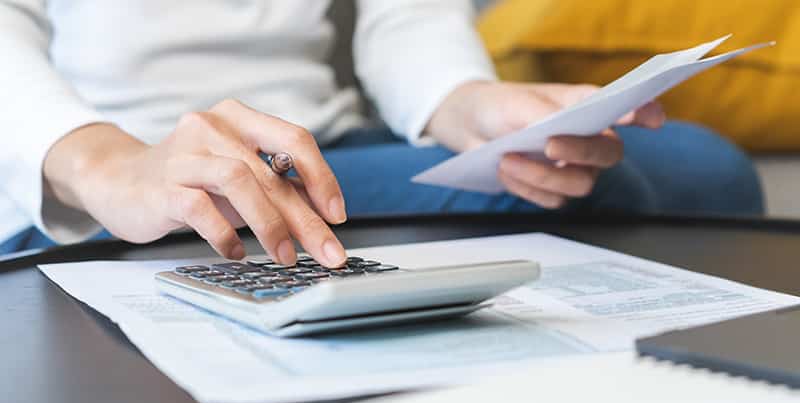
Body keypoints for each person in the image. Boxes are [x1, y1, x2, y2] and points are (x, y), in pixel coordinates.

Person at [0, 1, 763, 265]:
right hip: (107, 160)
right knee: (580, 197)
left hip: (319, 145)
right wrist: (107, 164)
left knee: (710, 167)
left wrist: (463, 102)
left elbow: (406, 15)